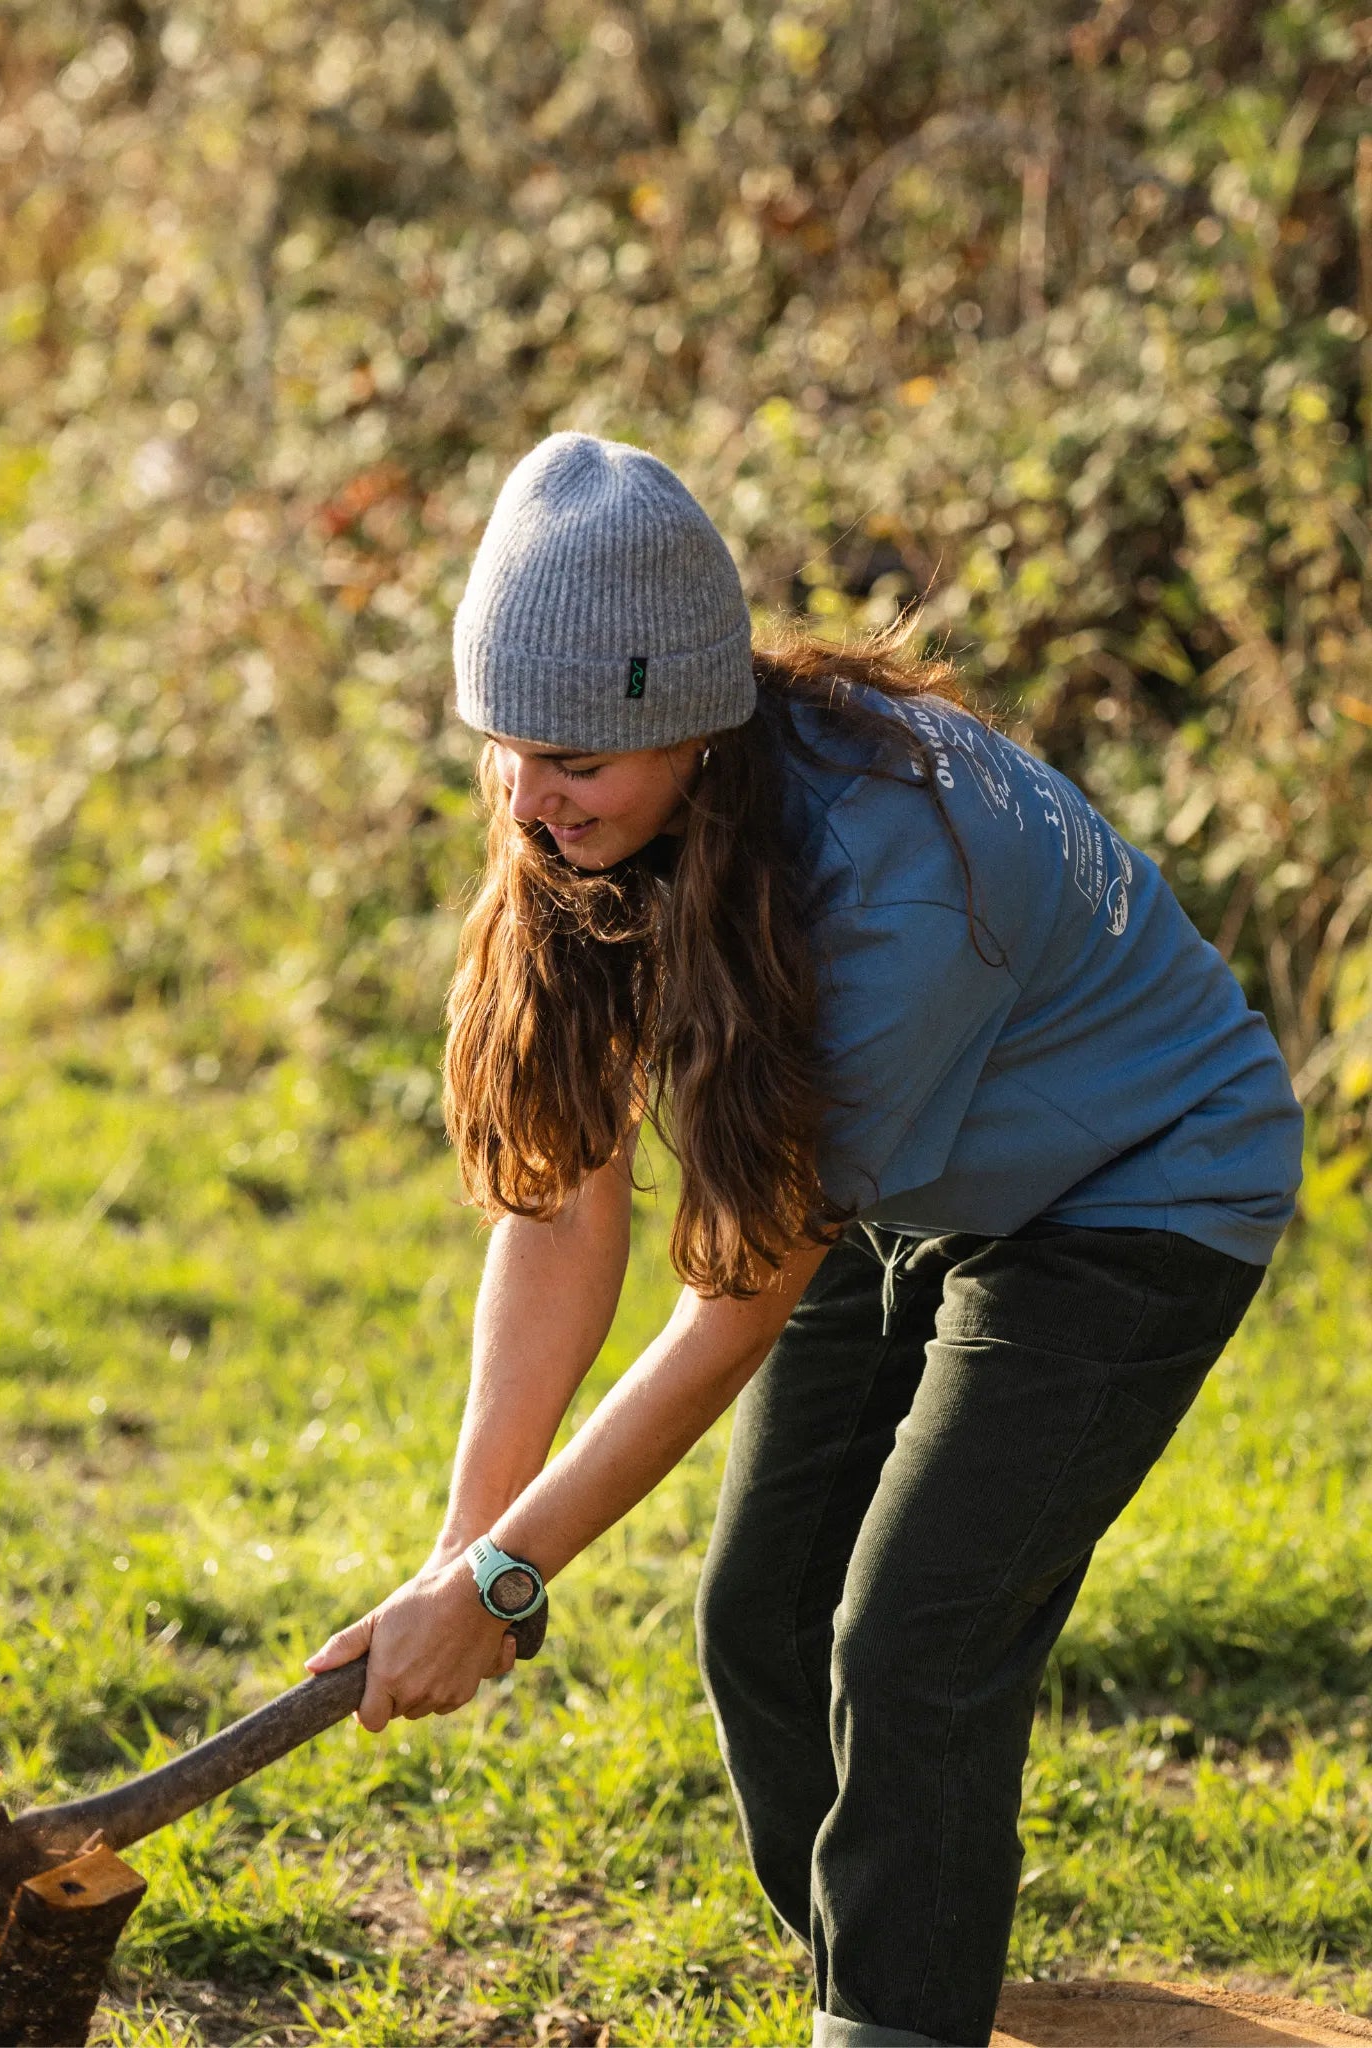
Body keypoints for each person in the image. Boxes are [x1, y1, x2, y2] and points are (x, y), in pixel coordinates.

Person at [306, 432, 1304, 2047]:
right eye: (506, 748)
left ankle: (897, 2012)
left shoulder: (887, 887)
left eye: (573, 762)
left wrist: (500, 1587)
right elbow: (563, 1199)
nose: (531, 797)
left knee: (908, 1643)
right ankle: (900, 1983)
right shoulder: (601, 813)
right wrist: (463, 1547)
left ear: (690, 721)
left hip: (1139, 1185)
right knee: (758, 1619)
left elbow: (727, 1311)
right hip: (908, 1175)